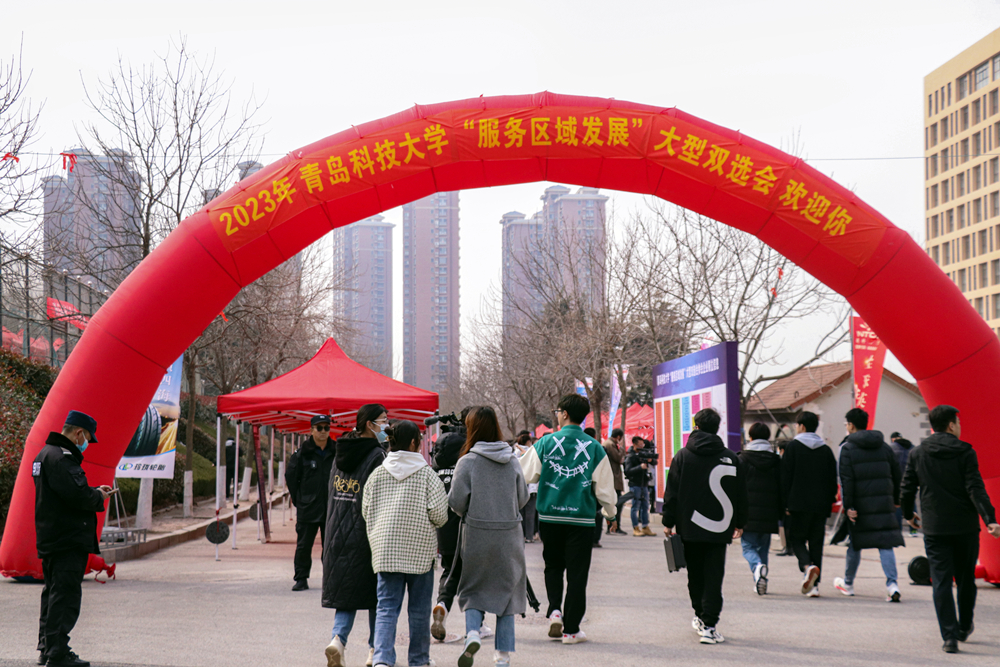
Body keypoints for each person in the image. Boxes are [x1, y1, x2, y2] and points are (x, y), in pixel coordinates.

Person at [900, 405, 1000, 654]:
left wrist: (908, 514)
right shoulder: (965, 452)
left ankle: (949, 636)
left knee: (941, 581)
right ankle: (964, 626)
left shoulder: (918, 453)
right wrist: (989, 518)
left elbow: (907, 488)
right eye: (958, 422)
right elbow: (975, 487)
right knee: (966, 579)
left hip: (935, 528)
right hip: (965, 527)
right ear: (951, 425)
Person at [519, 394, 616, 645]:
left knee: (553, 566)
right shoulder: (594, 447)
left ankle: (554, 610)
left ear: (564, 414)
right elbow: (605, 489)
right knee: (577, 574)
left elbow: (524, 473)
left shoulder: (545, 443)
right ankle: (571, 630)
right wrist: (610, 514)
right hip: (581, 521)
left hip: (550, 517)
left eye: (557, 411)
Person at [362, 420, 449, 667]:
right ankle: (419, 660)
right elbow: (440, 516)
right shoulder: (427, 475)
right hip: (419, 553)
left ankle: (382, 658)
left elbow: (366, 510)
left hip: (385, 551)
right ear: (413, 443)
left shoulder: (378, 474)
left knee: (386, 607)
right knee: (419, 610)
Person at [449, 406, 529, 667]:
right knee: (508, 593)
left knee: (473, 588)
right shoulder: (512, 459)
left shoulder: (467, 462)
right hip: (509, 536)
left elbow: (456, 502)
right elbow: (522, 498)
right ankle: (502, 656)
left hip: (477, 533)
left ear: (471, 429)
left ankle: (473, 633)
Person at [33, 410, 112, 667]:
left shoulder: (45, 454)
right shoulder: (62, 458)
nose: (86, 443)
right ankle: (57, 653)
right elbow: (77, 497)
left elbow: (64, 493)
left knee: (53, 594)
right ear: (78, 433)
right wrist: (98, 496)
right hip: (67, 539)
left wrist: (92, 491)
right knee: (65, 597)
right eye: (87, 437)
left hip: (52, 536)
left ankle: (47, 648)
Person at [662, 408, 747, 645]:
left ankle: (700, 616)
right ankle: (710, 625)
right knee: (714, 576)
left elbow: (672, 492)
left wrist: (668, 521)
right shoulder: (731, 457)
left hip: (690, 526)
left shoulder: (683, 456)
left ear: (696, 426)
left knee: (695, 575)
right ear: (717, 428)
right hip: (720, 528)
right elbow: (741, 493)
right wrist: (740, 522)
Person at [322, 404, 388, 667]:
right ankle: (374, 650)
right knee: (376, 595)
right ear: (370, 424)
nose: (387, 426)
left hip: (336, 533)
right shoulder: (377, 456)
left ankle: (338, 639)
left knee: (345, 592)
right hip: (365, 534)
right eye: (383, 421)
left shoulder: (341, 450)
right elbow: (378, 499)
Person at [832, 408, 904, 603]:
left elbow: (846, 480)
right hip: (883, 503)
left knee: (855, 543)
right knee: (885, 543)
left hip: (860, 505)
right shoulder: (884, 447)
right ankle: (892, 585)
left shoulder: (847, 448)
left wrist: (849, 506)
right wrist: (897, 499)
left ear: (851, 425)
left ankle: (848, 583)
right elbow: (897, 475)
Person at [781, 411, 838, 597]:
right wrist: (829, 501)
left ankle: (807, 566)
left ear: (802, 426)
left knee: (796, 539)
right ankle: (814, 587)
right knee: (816, 544)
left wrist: (785, 503)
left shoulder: (792, 448)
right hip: (820, 506)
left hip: (797, 504)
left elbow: (785, 477)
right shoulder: (826, 450)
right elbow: (832, 480)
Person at [430, 408, 470, 642]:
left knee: (450, 570)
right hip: (466, 526)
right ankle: (478, 623)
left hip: (443, 528)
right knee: (472, 574)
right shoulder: (466, 466)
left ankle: (442, 604)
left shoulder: (435, 469)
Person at [286, 414, 339, 591]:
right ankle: (301, 578)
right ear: (311, 430)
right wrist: (300, 500)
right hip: (308, 507)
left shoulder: (337, 452)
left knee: (331, 546)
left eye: (326, 428)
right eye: (319, 428)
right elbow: (291, 477)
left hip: (331, 507)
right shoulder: (302, 454)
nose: (323, 431)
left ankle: (330, 579)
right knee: (303, 545)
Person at [739, 423, 782, 595]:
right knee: (763, 548)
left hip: (748, 512)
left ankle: (757, 568)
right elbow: (781, 487)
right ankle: (760, 579)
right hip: (769, 512)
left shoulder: (742, 459)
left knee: (748, 547)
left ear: (750, 437)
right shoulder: (776, 460)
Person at [623, 436, 654, 536]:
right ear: (635, 444)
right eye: (640, 444)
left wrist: (650, 460)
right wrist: (639, 467)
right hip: (635, 484)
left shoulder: (643, 454)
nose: (642, 446)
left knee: (645, 506)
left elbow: (655, 462)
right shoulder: (630, 456)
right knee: (635, 506)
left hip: (644, 484)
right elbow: (627, 471)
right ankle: (635, 527)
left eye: (643, 444)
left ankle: (645, 526)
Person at [513, 432, 540, 543]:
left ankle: (521, 535)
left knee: (520, 513)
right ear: (528, 441)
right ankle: (529, 536)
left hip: (518, 487)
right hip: (531, 488)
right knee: (530, 513)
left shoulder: (514, 453)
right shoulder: (532, 452)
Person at [890, 432, 916, 535]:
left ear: (893, 439)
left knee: (897, 505)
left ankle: (898, 530)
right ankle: (913, 529)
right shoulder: (912, 447)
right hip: (910, 480)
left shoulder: (891, 448)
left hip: (896, 482)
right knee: (912, 503)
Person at [601, 429, 626, 535]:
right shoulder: (610, 444)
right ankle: (614, 526)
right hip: (613, 478)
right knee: (616, 504)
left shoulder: (608, 443)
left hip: (612, 477)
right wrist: (622, 449)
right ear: (619, 437)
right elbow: (618, 457)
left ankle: (612, 526)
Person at [583, 427, 604, 548]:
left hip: (582, 486)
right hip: (595, 485)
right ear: (595, 436)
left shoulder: (578, 449)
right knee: (597, 514)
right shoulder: (599, 449)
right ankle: (595, 539)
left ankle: (586, 538)